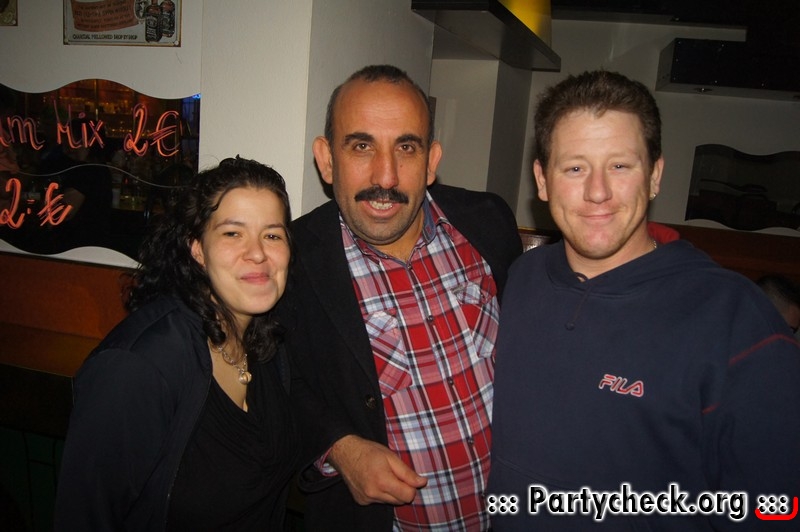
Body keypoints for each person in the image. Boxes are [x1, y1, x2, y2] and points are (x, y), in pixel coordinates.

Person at [488, 70, 800, 530]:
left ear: (654, 175)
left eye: (620, 166)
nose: (597, 192)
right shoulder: (522, 278)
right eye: (575, 168)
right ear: (542, 179)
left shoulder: (735, 320)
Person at [275, 64, 522, 530]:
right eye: (362, 146)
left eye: (406, 147)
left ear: (431, 161)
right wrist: (339, 448)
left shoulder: (488, 221)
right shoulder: (291, 263)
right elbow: (274, 383)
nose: (385, 176)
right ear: (326, 160)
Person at [54, 156, 298, 531]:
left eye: (272, 235)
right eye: (232, 233)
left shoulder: (266, 344)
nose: (258, 253)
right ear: (197, 248)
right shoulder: (138, 366)